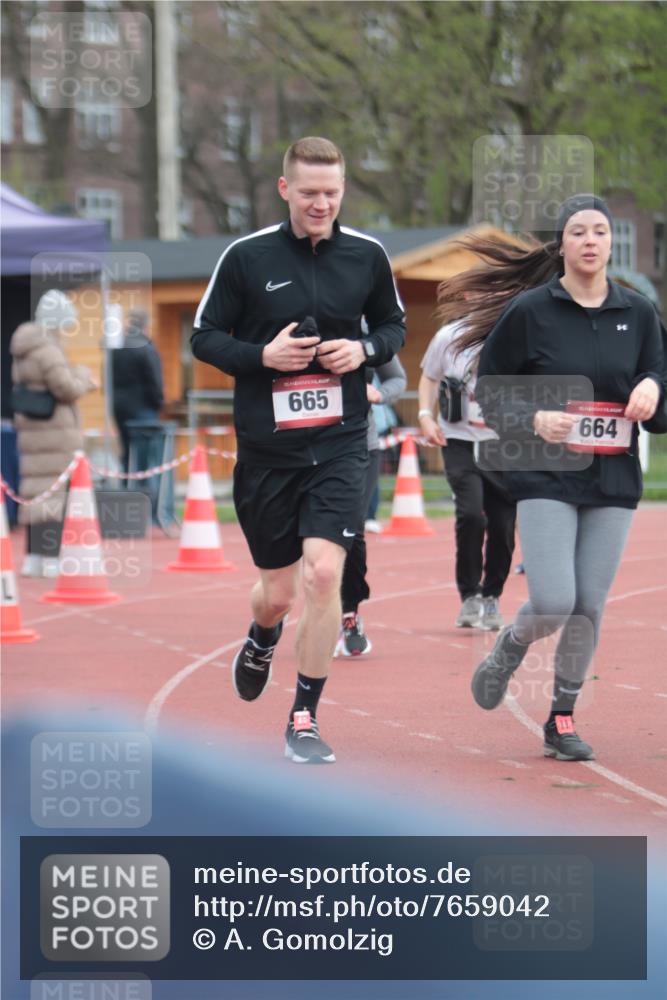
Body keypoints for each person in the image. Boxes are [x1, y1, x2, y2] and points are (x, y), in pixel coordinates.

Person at [191, 136, 406, 763]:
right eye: (309, 192)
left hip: (341, 443)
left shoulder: (367, 255)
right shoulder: (246, 256)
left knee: (324, 573)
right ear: (285, 189)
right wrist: (263, 356)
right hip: (269, 451)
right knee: (278, 594)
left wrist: (363, 350)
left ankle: (304, 718)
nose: (321, 204)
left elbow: (393, 326)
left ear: (343, 192)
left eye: (331, 193)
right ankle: (262, 636)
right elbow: (204, 337)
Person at [438, 194, 663, 761]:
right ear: (561, 244)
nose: (591, 241)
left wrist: (653, 388)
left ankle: (561, 717)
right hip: (546, 471)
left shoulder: (638, 313)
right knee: (556, 600)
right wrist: (535, 417)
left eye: (601, 232)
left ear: (610, 244)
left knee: (589, 605)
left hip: (613, 476)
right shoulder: (531, 311)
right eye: (579, 231)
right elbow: (490, 389)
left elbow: (660, 378)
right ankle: (511, 644)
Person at [418, 319, 516, 630]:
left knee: (503, 524)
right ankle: (470, 594)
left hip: (502, 443)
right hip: (458, 439)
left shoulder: (517, 330)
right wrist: (425, 415)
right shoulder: (448, 336)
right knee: (471, 514)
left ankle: (492, 595)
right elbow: (429, 377)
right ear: (467, 296)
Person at [10, 289, 98, 577]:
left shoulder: (23, 348)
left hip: (32, 430)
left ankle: (33, 558)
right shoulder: (48, 349)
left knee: (36, 494)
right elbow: (66, 388)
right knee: (54, 496)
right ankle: (50, 559)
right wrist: (84, 377)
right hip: (55, 432)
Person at [336, 355, 407, 656]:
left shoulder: (367, 335)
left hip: (360, 447)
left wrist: (378, 394)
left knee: (351, 532)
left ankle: (349, 614)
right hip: (304, 450)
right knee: (307, 537)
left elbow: (397, 378)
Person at [110, 309, 164, 471]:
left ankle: (127, 483)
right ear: (146, 326)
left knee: (127, 451)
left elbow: (107, 376)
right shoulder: (146, 348)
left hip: (119, 406)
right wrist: (159, 402)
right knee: (146, 456)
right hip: (144, 407)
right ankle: (143, 485)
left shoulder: (116, 348)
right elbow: (155, 380)